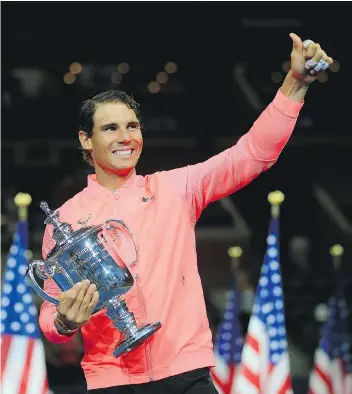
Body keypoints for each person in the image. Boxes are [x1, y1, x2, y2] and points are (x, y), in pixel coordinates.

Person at [39, 34, 333, 394]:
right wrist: (64, 322)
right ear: (86, 140)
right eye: (110, 128)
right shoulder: (65, 221)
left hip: (185, 373)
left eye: (132, 126)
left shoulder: (176, 188)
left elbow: (253, 153)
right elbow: (50, 315)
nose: (126, 137)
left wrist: (296, 83)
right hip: (111, 379)